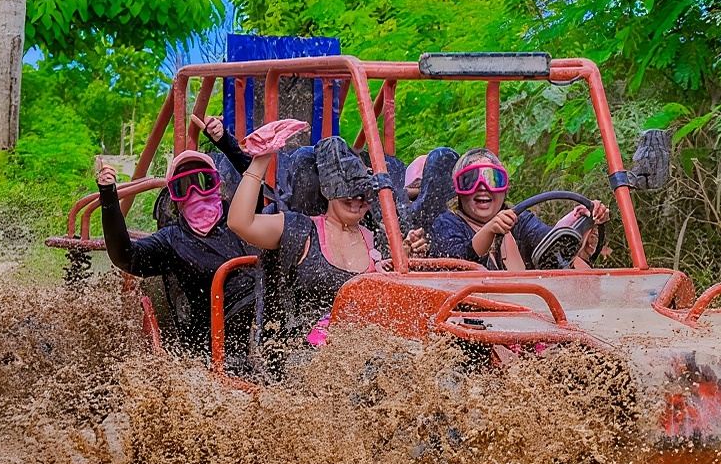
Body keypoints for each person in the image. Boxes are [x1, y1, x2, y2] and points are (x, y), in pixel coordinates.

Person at [96, 119, 257, 356]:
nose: (195, 193)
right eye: (184, 187)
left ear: (217, 185)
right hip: (220, 342)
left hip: (262, 318)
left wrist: (224, 141)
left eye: (203, 182)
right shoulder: (172, 240)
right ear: (175, 198)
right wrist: (109, 197)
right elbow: (125, 256)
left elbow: (256, 183)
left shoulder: (239, 217)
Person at [228, 132, 383, 351]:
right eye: (348, 194)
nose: (356, 201)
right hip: (299, 353)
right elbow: (240, 222)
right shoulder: (300, 229)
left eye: (363, 195)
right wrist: (261, 159)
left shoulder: (378, 239)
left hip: (364, 352)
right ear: (327, 190)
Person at [418, 147, 609, 270]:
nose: (482, 188)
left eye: (494, 180)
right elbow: (457, 265)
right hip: (469, 313)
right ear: (458, 191)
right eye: (470, 181)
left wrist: (581, 218)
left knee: (576, 264)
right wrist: (490, 230)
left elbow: (548, 243)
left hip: (525, 311)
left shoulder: (520, 220)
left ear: (504, 188)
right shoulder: (446, 223)